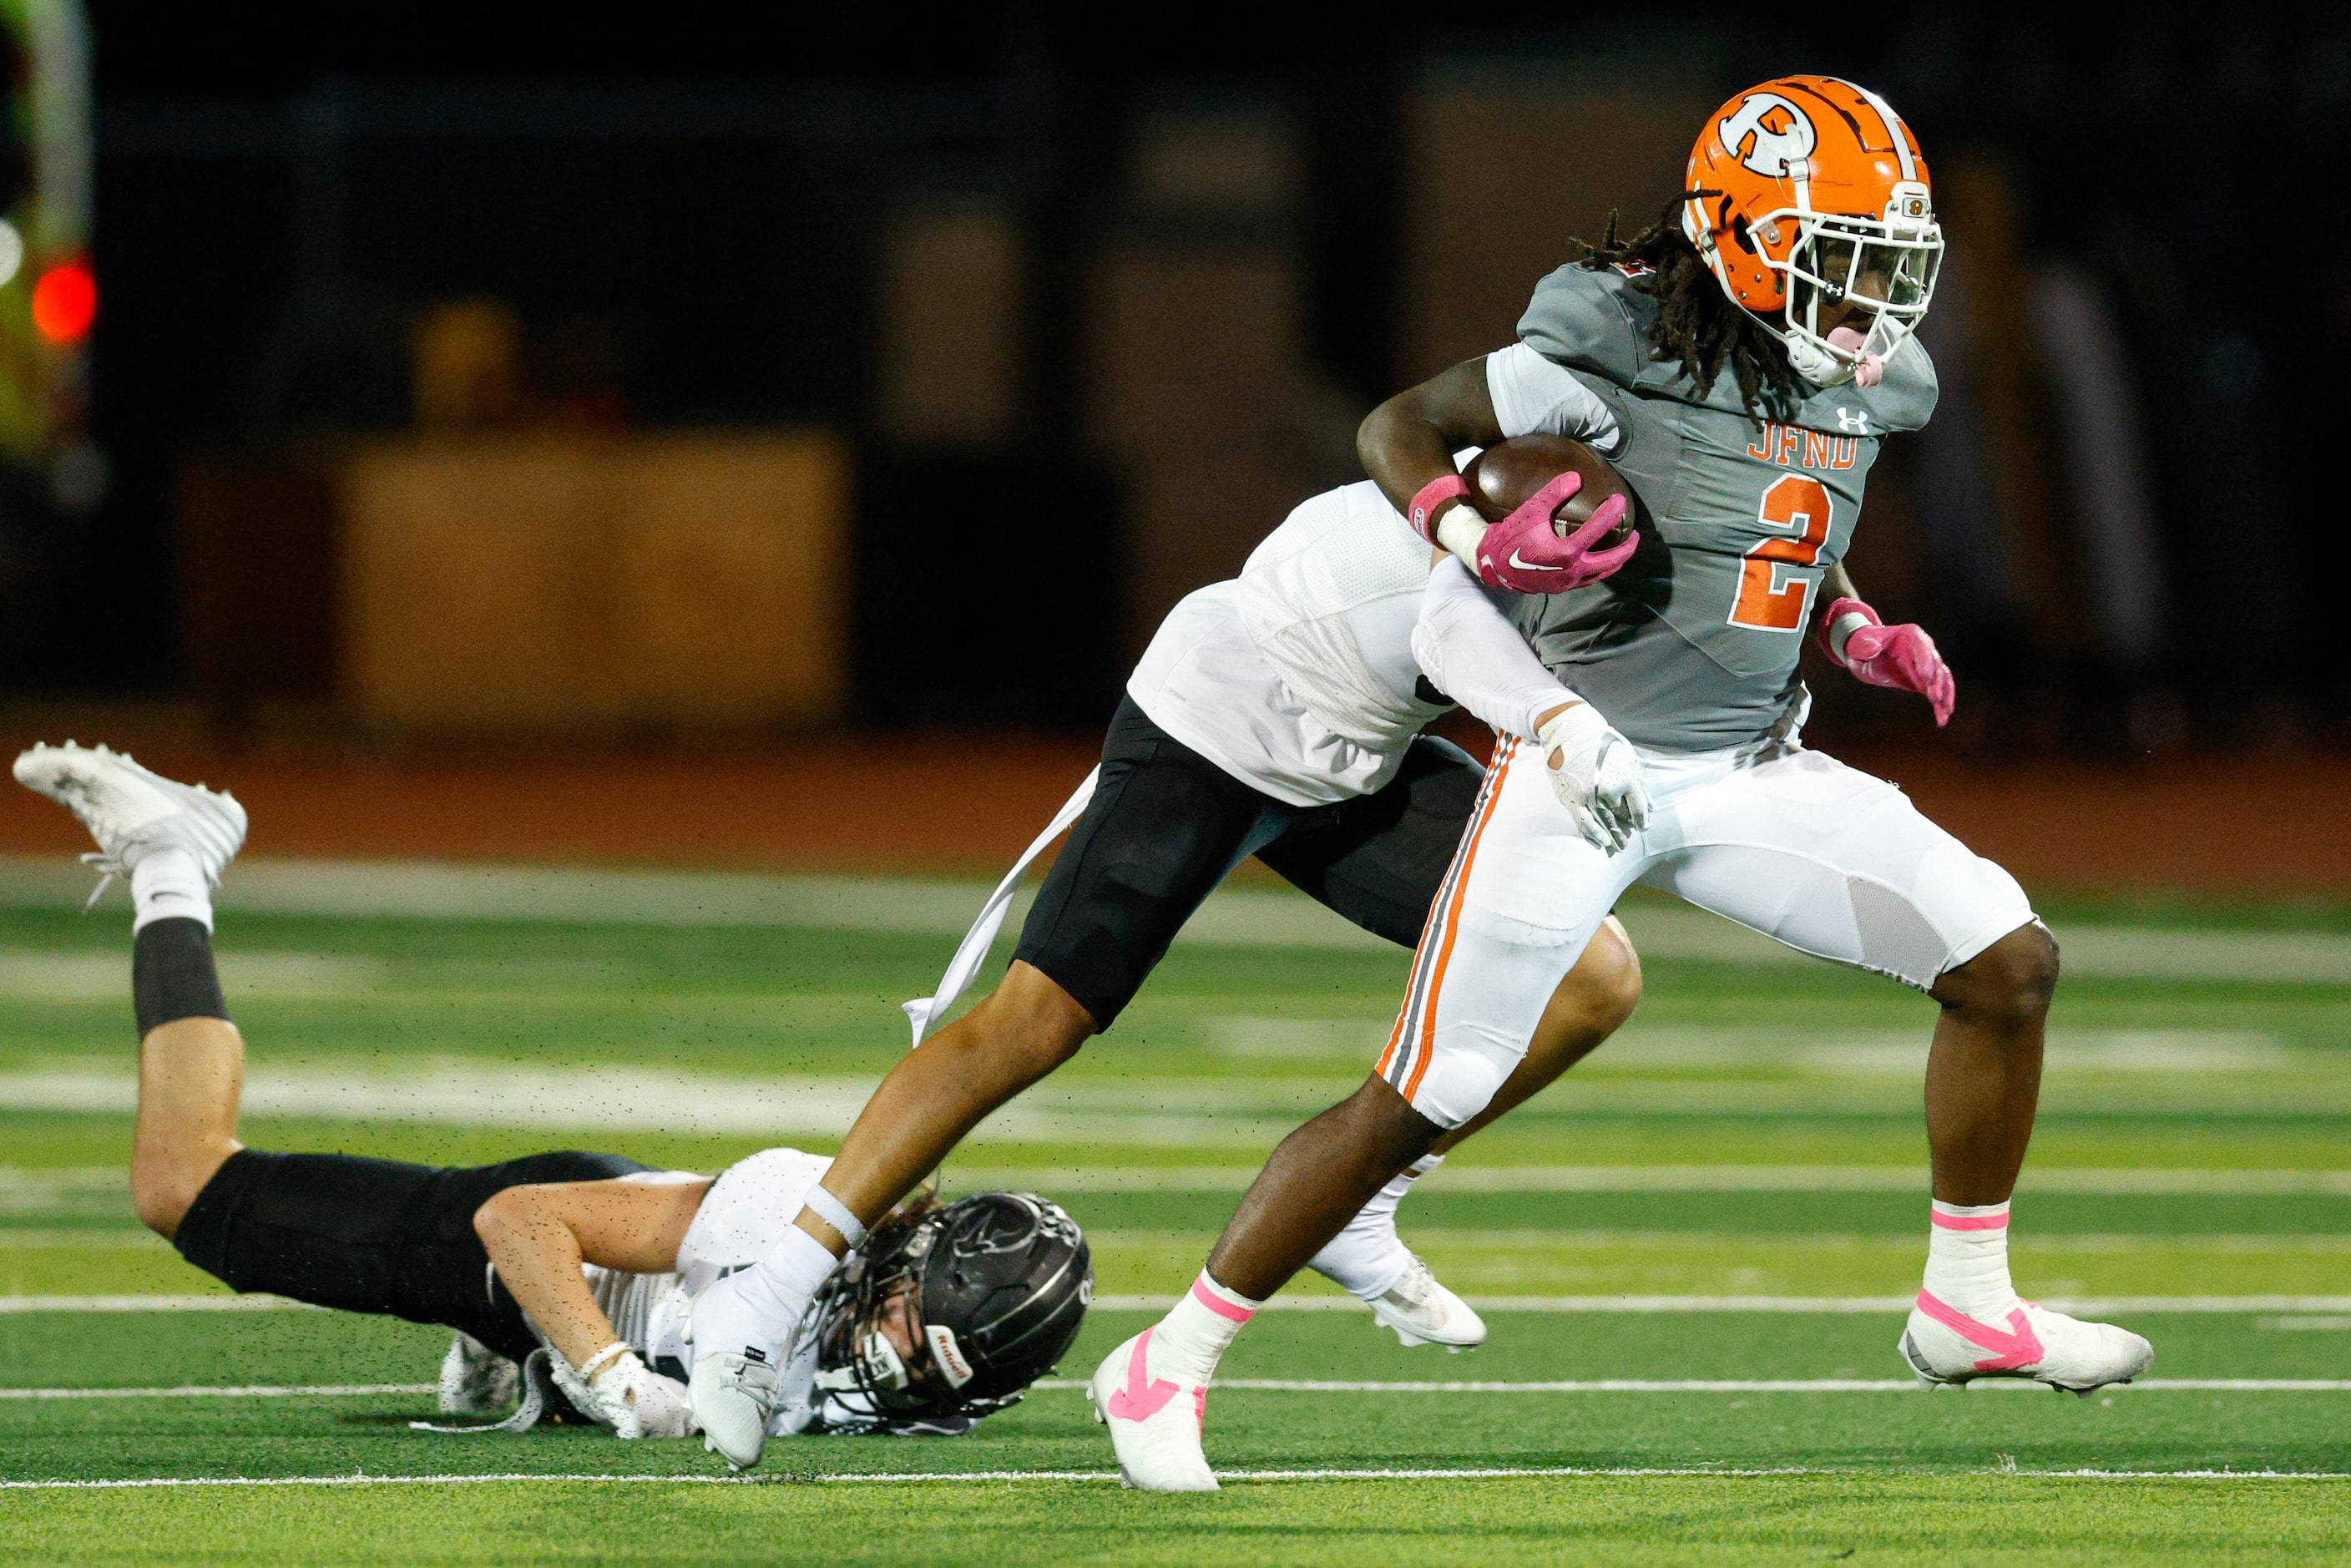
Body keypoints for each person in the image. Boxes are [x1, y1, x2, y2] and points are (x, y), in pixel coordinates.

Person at [1090, 74, 2155, 1490]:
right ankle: (1170, 1355)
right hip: (1578, 761)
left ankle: (1967, 1301)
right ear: (1738, 234)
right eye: (1840, 252)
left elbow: (1788, 505)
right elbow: (1402, 422)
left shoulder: (1872, 372)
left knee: (2005, 958)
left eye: (1887, 254)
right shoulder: (1616, 334)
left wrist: (1849, 623)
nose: (1875, 295)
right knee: (1432, 1084)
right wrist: (1467, 527)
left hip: (1748, 768)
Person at [685, 384, 1656, 1469]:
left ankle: (1360, 1197)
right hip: (1222, 720)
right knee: (1034, 1021)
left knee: (1592, 974)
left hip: (1358, 755)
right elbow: (1541, 705)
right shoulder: (1461, 590)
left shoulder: (1598, 457)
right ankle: (762, 1303)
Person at [13, 741, 1090, 1444]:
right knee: (181, 1184)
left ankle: (506, 1350)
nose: (901, 1361)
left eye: (942, 1360)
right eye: (911, 1321)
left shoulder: (934, 1382)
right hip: (538, 1246)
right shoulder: (786, 1224)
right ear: (898, 1257)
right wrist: (612, 1376)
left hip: (602, 1291)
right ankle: (172, 858)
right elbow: (520, 1220)